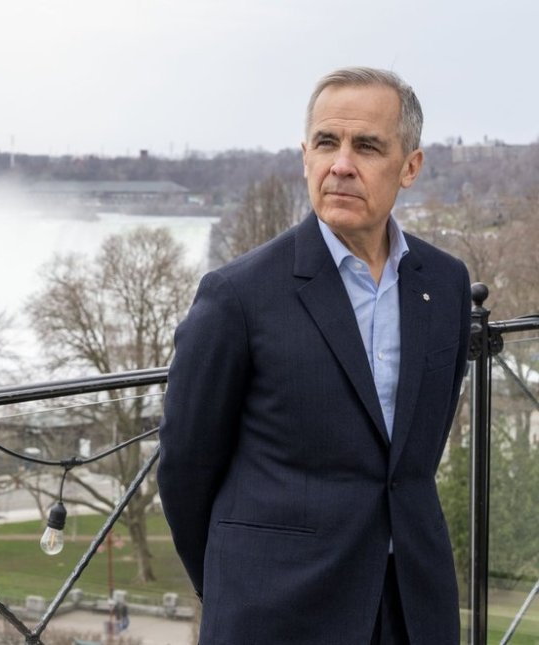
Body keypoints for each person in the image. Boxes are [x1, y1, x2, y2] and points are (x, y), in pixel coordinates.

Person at [157, 67, 470, 644]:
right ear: (306, 156)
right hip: (279, 612)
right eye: (327, 143)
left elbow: (414, 454)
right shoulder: (238, 296)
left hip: (412, 607)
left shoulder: (445, 284)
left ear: (410, 167)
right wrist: (234, 583)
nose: (341, 164)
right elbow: (185, 470)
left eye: (367, 146)